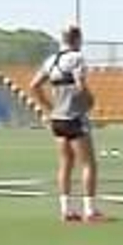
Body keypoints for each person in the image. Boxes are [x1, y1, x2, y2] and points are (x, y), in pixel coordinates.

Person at [29, 23, 106, 223]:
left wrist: (49, 107)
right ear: (77, 39)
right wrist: (89, 101)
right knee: (88, 163)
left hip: (58, 119)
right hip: (74, 116)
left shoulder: (51, 60)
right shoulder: (76, 58)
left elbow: (34, 85)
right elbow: (80, 85)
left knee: (65, 163)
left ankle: (66, 209)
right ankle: (90, 210)